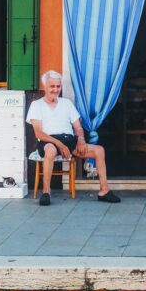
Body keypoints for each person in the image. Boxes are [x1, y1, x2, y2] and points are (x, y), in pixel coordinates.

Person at [26, 70, 120, 206]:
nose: (56, 89)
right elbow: (39, 133)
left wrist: (81, 139)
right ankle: (46, 192)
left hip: (69, 141)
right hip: (49, 141)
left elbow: (78, 127)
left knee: (99, 150)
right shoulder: (37, 105)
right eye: (52, 86)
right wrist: (60, 145)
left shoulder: (66, 103)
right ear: (45, 86)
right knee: (51, 150)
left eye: (58, 86)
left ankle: (104, 190)